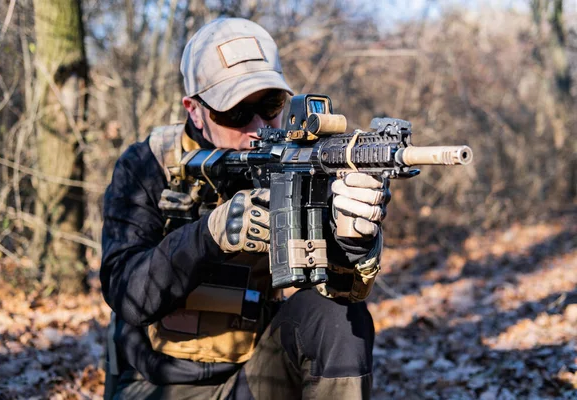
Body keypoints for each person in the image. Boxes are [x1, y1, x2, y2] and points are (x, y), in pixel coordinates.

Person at [101, 17, 391, 400]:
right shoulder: (148, 165)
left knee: (338, 317)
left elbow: (333, 290)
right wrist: (209, 235)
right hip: (152, 386)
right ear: (194, 109)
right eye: (235, 113)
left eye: (270, 106)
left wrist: (352, 243)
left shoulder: (292, 162)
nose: (257, 127)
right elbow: (128, 294)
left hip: (252, 380)